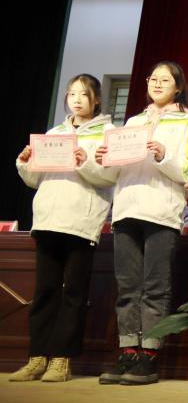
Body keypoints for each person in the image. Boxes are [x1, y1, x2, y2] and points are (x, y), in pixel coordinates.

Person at [98, 61, 188, 386]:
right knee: (128, 287)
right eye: (153, 79)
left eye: (164, 80)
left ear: (178, 87)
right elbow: (116, 171)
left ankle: (150, 356)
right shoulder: (133, 122)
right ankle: (128, 352)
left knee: (156, 288)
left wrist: (162, 155)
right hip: (126, 208)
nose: (157, 84)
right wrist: (104, 161)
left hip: (161, 212)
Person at [11, 74, 116, 383]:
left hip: (81, 222)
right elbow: (36, 180)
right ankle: (37, 358)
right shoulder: (54, 133)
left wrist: (85, 161)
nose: (77, 100)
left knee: (73, 292)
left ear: (97, 99)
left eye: (84, 94)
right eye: (72, 94)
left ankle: (61, 359)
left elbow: (110, 177)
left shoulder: (107, 133)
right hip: (48, 219)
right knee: (44, 290)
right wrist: (25, 163)